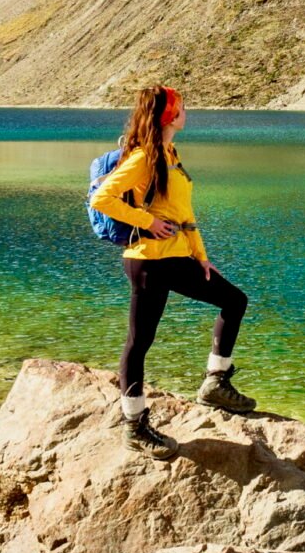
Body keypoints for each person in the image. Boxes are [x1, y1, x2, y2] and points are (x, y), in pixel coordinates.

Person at [89, 83, 256, 458]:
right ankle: (134, 425)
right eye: (182, 107)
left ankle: (215, 384)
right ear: (170, 115)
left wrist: (201, 256)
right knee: (139, 341)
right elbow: (102, 197)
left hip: (176, 257)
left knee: (234, 301)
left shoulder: (170, 153)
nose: (186, 112)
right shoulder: (145, 157)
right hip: (148, 260)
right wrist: (145, 221)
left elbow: (185, 215)